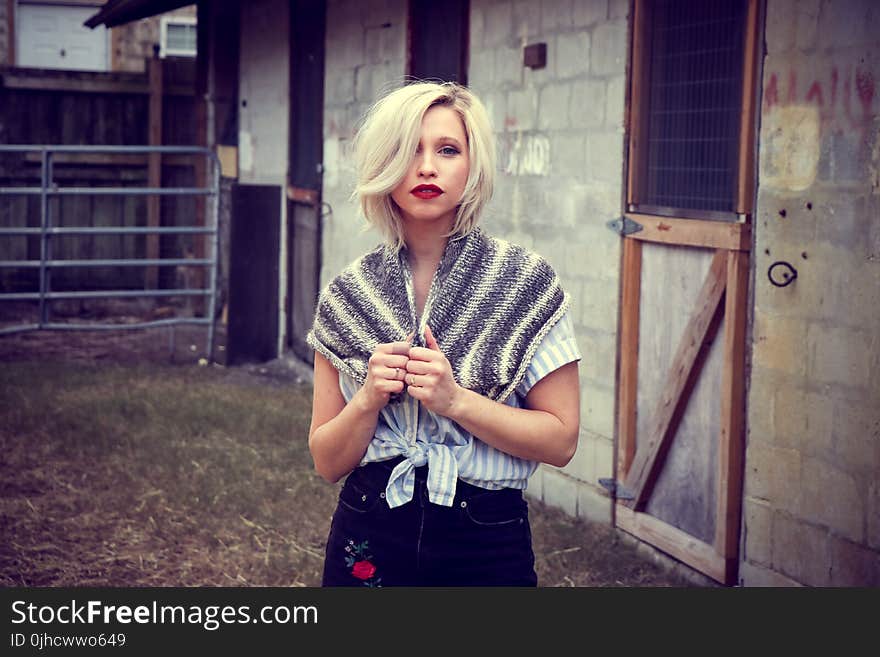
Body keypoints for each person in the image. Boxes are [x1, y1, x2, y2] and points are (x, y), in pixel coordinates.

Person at [307, 81, 581, 587]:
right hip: (369, 523)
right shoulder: (347, 296)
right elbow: (327, 461)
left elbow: (561, 440)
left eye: (447, 149)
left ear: (472, 166)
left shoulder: (526, 284)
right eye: (408, 151)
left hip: (484, 532)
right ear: (384, 166)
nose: (427, 167)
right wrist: (367, 399)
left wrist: (456, 401)